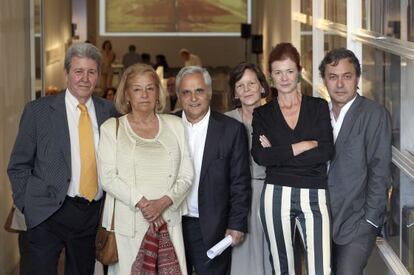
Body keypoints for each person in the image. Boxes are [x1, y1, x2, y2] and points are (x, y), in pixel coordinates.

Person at [7, 42, 117, 274]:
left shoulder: (109, 111)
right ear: (66, 73)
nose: (85, 78)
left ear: (98, 75)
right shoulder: (38, 111)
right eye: (78, 71)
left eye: (91, 71)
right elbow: (18, 166)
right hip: (48, 213)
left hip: (90, 214)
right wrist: (28, 206)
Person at [97, 63, 193, 275]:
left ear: (158, 94)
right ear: (127, 94)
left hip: (169, 220)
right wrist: (143, 203)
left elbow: (187, 174)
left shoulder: (176, 125)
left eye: (150, 88)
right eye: (137, 89)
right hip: (130, 225)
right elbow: (108, 177)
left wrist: (163, 202)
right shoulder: (111, 128)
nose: (144, 95)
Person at [251, 42, 334, 275]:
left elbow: (326, 151)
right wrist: (303, 145)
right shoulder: (263, 113)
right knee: (282, 268)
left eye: (289, 71)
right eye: (278, 72)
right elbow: (260, 156)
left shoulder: (318, 107)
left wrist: (278, 153)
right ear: (270, 77)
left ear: (299, 71)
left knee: (321, 269)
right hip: (275, 196)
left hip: (315, 194)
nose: (284, 78)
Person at [319, 48, 392, 275]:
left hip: (357, 220)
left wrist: (370, 221)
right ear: (325, 80)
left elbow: (380, 171)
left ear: (357, 78)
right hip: (320, 219)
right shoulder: (319, 114)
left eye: (347, 76)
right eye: (333, 77)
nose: (340, 84)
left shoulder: (374, 114)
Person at [176, 66, 251, 275]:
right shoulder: (167, 125)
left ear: (209, 93)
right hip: (172, 224)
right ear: (178, 96)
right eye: (186, 92)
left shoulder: (231, 130)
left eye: (199, 91)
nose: (193, 98)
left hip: (212, 227)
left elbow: (240, 182)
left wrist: (237, 224)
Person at [225, 62, 272, 275]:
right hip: (237, 198)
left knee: (271, 256)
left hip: (271, 194)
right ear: (234, 92)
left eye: (251, 83)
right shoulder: (225, 122)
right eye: (240, 85)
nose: (247, 89)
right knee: (241, 258)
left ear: (262, 86)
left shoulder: (279, 117)